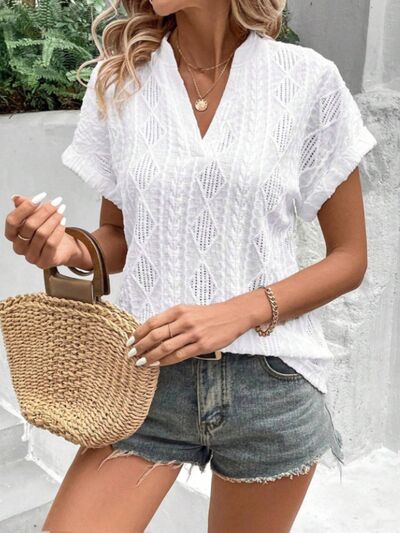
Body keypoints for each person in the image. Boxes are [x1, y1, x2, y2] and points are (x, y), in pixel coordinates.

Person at [5, 0, 377, 531]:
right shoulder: (122, 82)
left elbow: (350, 258)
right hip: (143, 378)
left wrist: (238, 312)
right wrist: (67, 249)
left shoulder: (308, 80)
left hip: (269, 384)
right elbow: (120, 237)